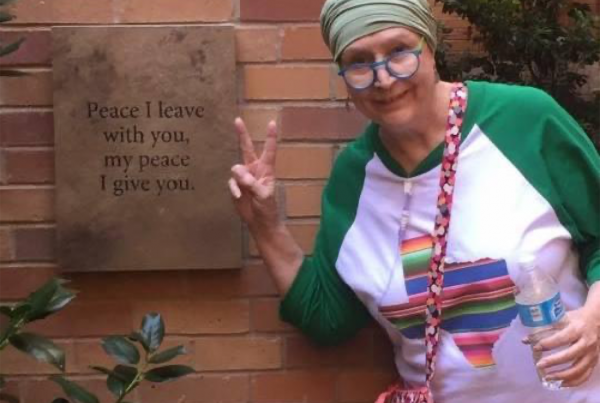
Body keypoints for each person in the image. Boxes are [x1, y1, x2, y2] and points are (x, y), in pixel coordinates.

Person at [228, 0, 600, 401]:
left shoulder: (524, 120)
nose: (383, 78)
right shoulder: (353, 178)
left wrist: (595, 319)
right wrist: (264, 225)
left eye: (399, 52)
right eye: (358, 62)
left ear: (430, 47)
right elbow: (328, 320)